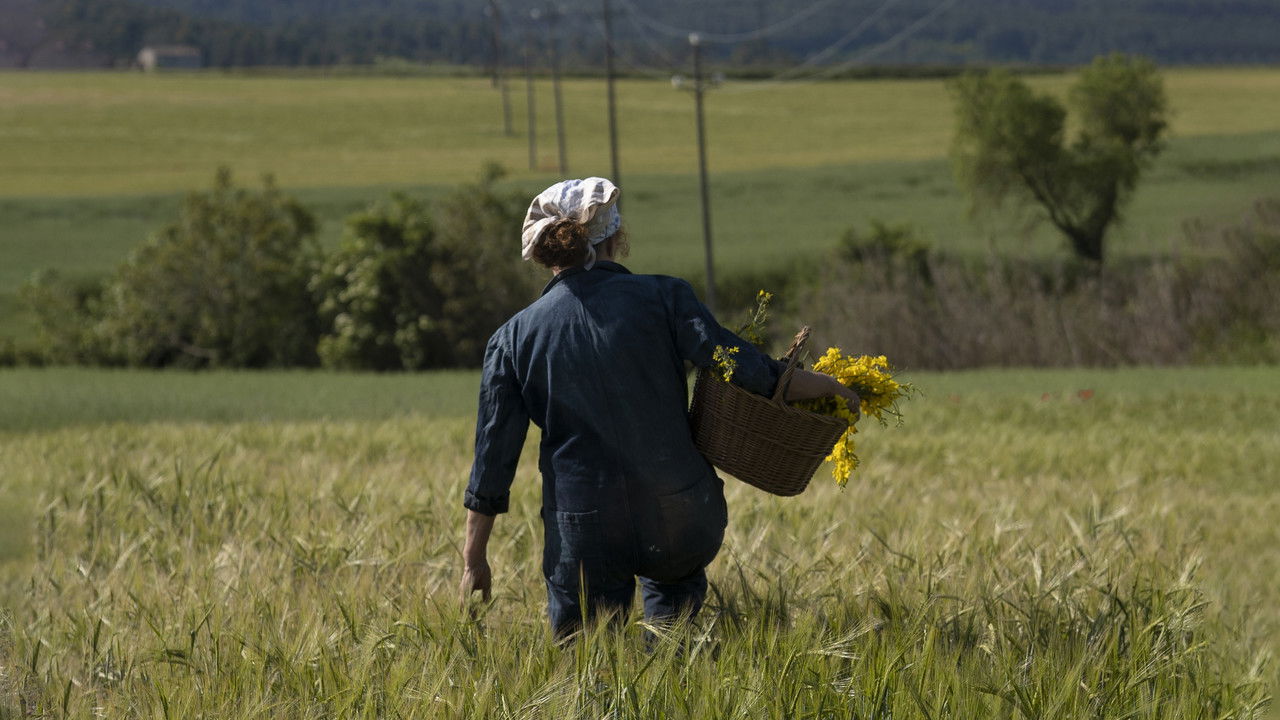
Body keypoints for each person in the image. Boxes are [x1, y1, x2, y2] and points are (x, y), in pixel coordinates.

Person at [460, 177, 859, 638]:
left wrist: (474, 555)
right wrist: (829, 386)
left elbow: (493, 457)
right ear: (615, 237)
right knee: (678, 652)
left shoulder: (512, 339)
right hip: (678, 509)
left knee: (589, 667)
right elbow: (742, 367)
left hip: (583, 523)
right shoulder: (665, 298)